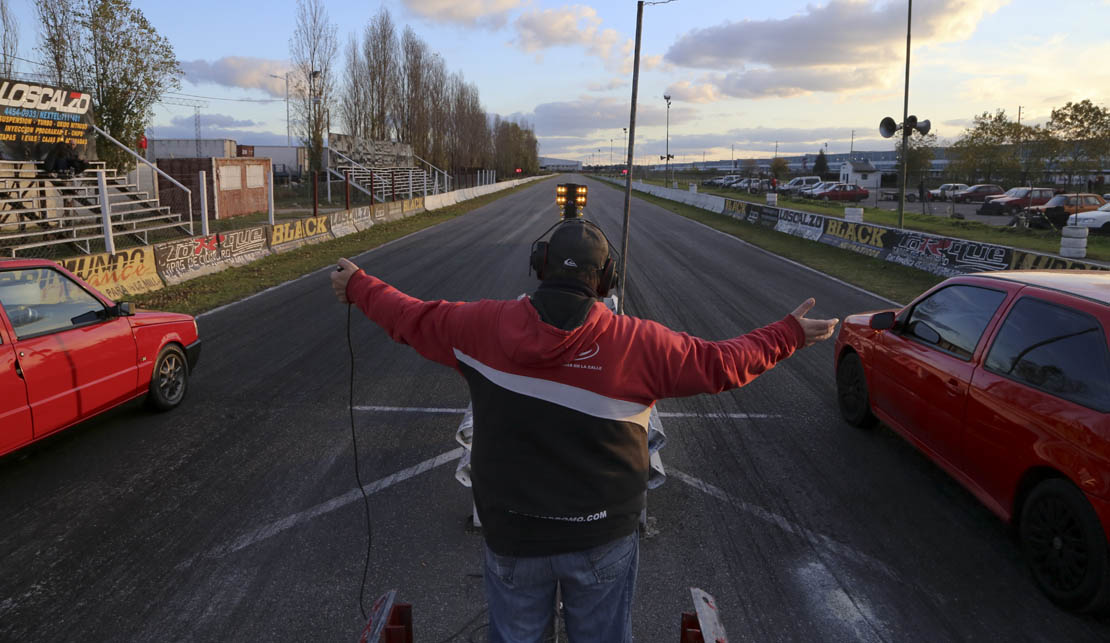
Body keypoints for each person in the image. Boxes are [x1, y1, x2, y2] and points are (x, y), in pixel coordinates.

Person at [329, 219, 839, 642]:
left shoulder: (478, 326)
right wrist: (788, 334)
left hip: (511, 533)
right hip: (602, 536)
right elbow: (722, 364)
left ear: (540, 266)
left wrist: (357, 284)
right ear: (606, 281)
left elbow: (410, 316)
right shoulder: (640, 343)